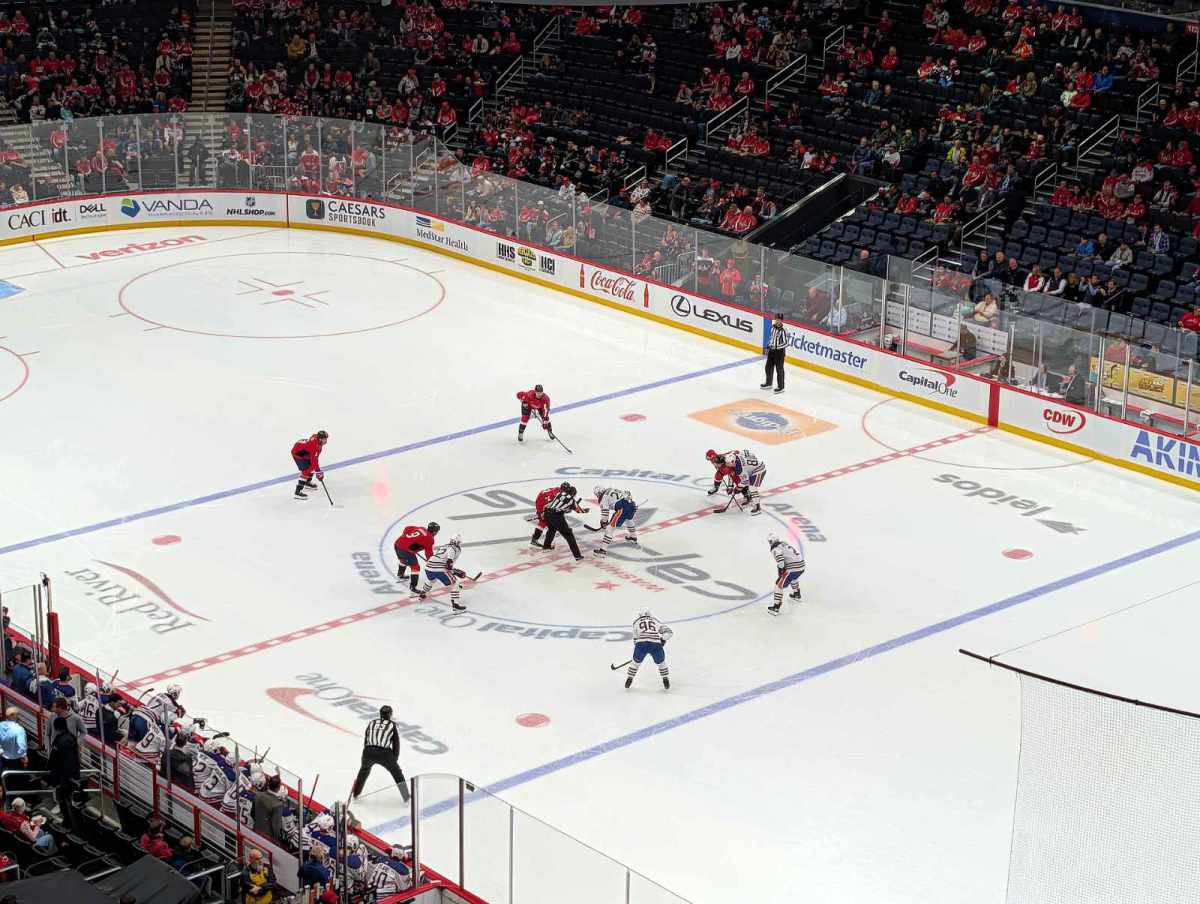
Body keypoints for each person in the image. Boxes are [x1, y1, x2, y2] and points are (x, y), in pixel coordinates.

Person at [349, 705, 410, 803]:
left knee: (363, 771)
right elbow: (396, 744)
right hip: (384, 754)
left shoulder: (372, 723)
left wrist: (367, 752)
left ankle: (356, 793)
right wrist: (394, 759)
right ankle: (406, 797)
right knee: (397, 773)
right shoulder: (392, 725)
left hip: (368, 751)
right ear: (390, 715)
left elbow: (366, 739)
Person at [412, 535, 470, 612]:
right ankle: (455, 605)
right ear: (456, 542)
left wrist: (453, 570)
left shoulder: (444, 546)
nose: (459, 544)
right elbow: (448, 565)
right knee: (455, 584)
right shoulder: (454, 549)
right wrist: (454, 572)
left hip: (428, 567)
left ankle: (422, 594)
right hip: (439, 569)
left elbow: (442, 561)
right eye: (459, 542)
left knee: (431, 580)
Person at [706, 449, 766, 515]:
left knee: (751, 487)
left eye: (728, 464)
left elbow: (745, 481)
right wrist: (734, 487)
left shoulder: (739, 468)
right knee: (747, 484)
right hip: (753, 466)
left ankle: (756, 506)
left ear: (732, 462)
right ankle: (754, 503)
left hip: (759, 469)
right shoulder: (731, 459)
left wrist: (737, 488)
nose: (727, 465)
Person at [539, 483, 588, 560]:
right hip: (556, 517)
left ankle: (546, 547)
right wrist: (585, 510)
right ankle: (577, 556)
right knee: (569, 535)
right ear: (573, 494)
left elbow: (555, 504)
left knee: (551, 530)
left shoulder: (559, 494)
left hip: (547, 513)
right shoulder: (571, 500)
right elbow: (579, 510)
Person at [625, 609, 673, 689]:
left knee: (635, 663)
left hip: (641, 644)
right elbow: (669, 632)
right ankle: (665, 679)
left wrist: (639, 651)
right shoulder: (655, 620)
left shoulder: (636, 622)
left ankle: (629, 678)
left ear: (640, 616)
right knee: (661, 663)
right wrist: (662, 640)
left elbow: (635, 639)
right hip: (655, 644)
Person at [392, 522, 440, 593]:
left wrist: (407, 539)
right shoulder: (430, 539)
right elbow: (428, 553)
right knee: (415, 567)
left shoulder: (422, 528)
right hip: (405, 550)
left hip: (397, 544)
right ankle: (413, 587)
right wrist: (431, 562)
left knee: (403, 560)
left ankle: (400, 575)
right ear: (434, 532)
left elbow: (407, 528)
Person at [591, 487, 638, 557]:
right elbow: (626, 493)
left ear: (598, 493)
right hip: (632, 504)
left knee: (609, 529)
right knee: (628, 520)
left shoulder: (603, 498)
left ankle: (603, 551)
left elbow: (605, 513)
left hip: (623, 508)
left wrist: (604, 522)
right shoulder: (610, 489)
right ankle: (633, 537)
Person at [767, 533, 806, 615]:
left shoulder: (775, 548)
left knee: (778, 585)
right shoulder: (784, 543)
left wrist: (781, 572)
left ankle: (776, 607)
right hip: (802, 566)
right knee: (794, 578)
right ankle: (796, 594)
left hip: (793, 568)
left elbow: (781, 563)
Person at [291, 429, 329, 500]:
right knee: (306, 471)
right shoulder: (314, 445)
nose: (326, 441)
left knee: (312, 467)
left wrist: (317, 471)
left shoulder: (318, 442)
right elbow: (314, 460)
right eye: (324, 439)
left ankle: (307, 482)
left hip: (305, 453)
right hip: (298, 454)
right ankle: (297, 492)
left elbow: (315, 459)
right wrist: (318, 472)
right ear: (320, 439)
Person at [761, 312, 790, 394]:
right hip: (771, 350)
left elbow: (786, 343)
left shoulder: (783, 330)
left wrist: (777, 347)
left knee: (779, 369)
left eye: (779, 320)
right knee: (768, 367)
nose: (778, 321)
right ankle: (769, 383)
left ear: (781, 321)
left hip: (779, 352)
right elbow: (771, 338)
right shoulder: (773, 327)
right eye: (776, 319)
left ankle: (781, 387)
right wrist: (768, 346)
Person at [252, 774, 285, 842]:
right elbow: (276, 826)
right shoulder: (278, 804)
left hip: (255, 830)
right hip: (267, 838)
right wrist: (276, 841)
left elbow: (252, 813)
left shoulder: (258, 795)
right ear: (278, 788)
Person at [0, 709, 27, 779]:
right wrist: (24, 756)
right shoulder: (19, 729)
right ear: (15, 716)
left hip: (1, 756)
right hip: (15, 759)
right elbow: (22, 746)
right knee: (15, 778)